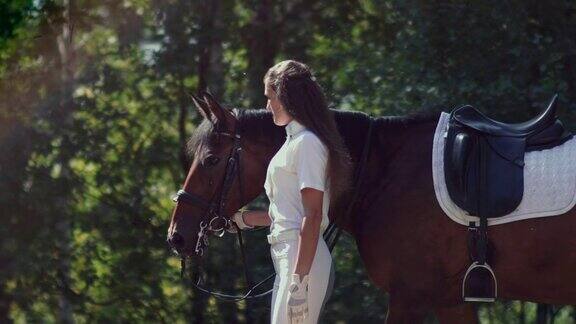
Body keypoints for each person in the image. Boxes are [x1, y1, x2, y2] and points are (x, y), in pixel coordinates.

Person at [230, 60, 353, 323]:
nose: (267, 106)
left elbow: (313, 215)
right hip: (290, 256)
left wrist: (299, 280)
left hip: (301, 259)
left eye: (270, 97)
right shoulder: (292, 142)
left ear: (287, 97)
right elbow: (290, 213)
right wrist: (244, 219)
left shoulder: (308, 143)